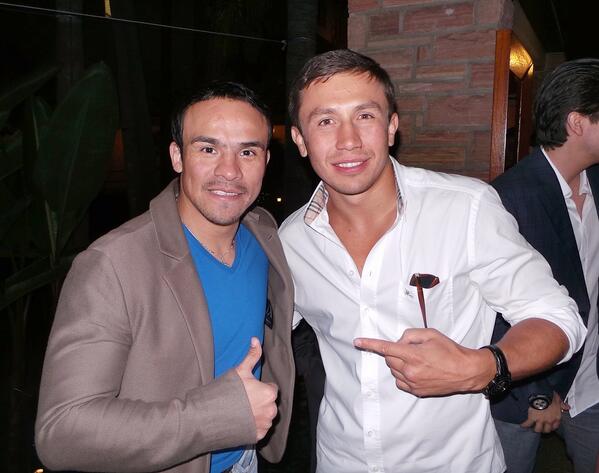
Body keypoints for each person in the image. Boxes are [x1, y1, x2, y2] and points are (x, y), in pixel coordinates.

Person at [278, 49, 587, 473]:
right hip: (340, 461)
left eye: (365, 116)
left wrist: (483, 367)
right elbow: (263, 333)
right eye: (325, 121)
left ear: (391, 126)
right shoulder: (293, 240)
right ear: (300, 139)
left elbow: (558, 317)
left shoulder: (466, 208)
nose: (348, 140)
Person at [35, 82, 295, 473]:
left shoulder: (263, 233)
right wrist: (218, 416)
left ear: (266, 160)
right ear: (177, 156)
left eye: (247, 152)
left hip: (247, 460)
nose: (230, 171)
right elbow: (61, 433)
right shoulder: (112, 265)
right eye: (208, 149)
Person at [491, 59, 599, 473]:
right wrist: (534, 392)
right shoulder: (508, 196)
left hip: (591, 382)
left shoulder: (595, 183)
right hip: (529, 394)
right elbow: (493, 311)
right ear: (577, 122)